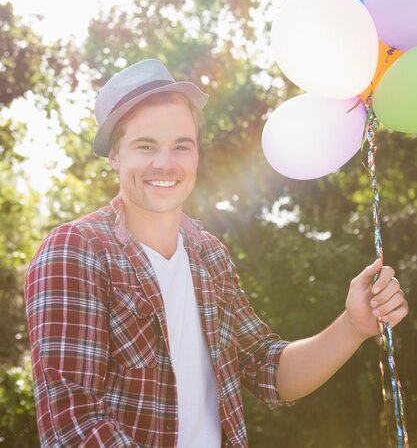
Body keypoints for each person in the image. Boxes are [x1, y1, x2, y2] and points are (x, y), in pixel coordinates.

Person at [25, 58, 408, 448]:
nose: (166, 163)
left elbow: (267, 370)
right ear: (114, 156)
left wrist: (353, 326)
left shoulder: (209, 256)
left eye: (181, 146)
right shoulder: (75, 252)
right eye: (146, 146)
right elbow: (73, 426)